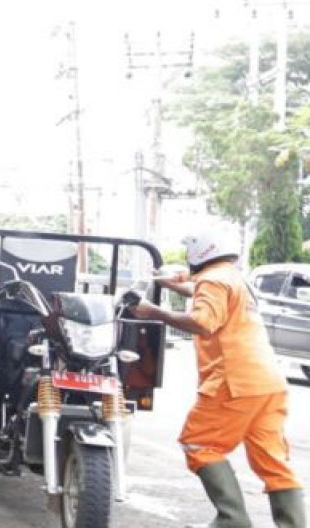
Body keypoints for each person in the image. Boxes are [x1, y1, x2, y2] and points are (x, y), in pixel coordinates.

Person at [129, 226, 304, 528]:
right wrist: (175, 284)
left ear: (200, 252)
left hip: (233, 382)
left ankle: (232, 519)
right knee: (272, 459)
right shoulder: (234, 277)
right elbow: (204, 292)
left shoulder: (212, 279)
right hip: (268, 384)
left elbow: (203, 321)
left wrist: (153, 311)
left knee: (199, 443)